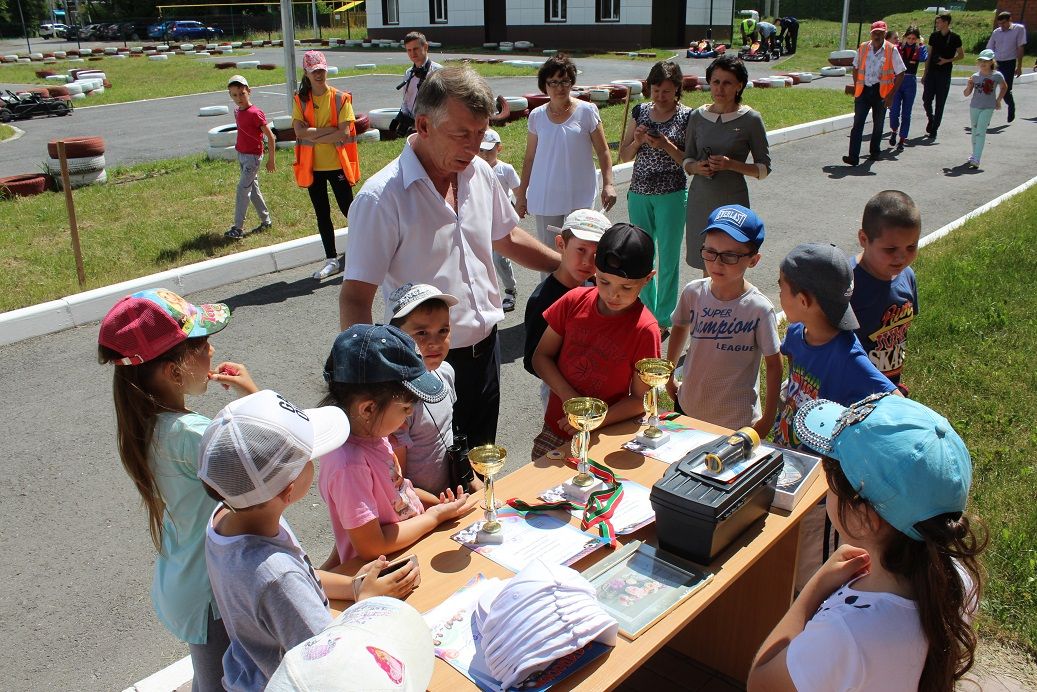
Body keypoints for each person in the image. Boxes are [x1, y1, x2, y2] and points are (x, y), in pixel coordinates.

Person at [339, 67, 560, 449]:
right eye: (461, 134)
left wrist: (563, 266)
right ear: (423, 125)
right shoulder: (382, 198)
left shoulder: (480, 175)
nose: (474, 147)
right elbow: (356, 296)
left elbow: (505, 236)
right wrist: (367, 386)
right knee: (432, 484)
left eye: (480, 133)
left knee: (478, 467)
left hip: (486, 354)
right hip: (423, 365)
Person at [748, 393, 985, 692]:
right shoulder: (956, 580)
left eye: (832, 475)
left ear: (865, 518)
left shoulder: (843, 635)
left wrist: (815, 587)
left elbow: (760, 682)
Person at [199, 389, 419, 691]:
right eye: (308, 457)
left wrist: (353, 587)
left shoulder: (229, 515)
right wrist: (365, 604)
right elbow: (327, 664)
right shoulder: (278, 577)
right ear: (288, 490)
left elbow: (300, 575)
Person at [97, 288, 259, 691]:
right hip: (213, 593)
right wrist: (254, 397)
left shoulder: (145, 425)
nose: (213, 347)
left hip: (184, 578)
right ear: (174, 370)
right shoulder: (193, 434)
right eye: (202, 343)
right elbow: (272, 465)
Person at [318, 324, 477, 564]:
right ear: (368, 408)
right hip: (388, 569)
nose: (411, 413)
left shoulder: (374, 434)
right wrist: (433, 518)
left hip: (409, 550)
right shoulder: (349, 465)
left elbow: (401, 492)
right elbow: (372, 546)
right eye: (405, 408)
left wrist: (442, 507)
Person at [531, 223, 661, 460]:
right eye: (604, 282)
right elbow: (541, 357)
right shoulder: (572, 301)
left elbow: (641, 399)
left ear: (648, 279)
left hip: (606, 435)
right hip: (557, 426)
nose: (614, 294)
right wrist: (568, 396)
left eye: (627, 287)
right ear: (594, 273)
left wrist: (596, 420)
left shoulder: (645, 329)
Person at [665, 205, 781, 438]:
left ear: (753, 260)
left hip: (735, 421)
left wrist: (768, 419)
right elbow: (680, 326)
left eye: (730, 256)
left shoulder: (759, 309)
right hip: (688, 407)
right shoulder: (693, 293)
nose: (717, 262)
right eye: (710, 252)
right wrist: (668, 376)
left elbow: (774, 365)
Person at [773, 243, 897, 449]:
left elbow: (896, 401)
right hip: (786, 443)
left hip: (818, 462)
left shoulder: (848, 356)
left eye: (781, 287)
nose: (779, 294)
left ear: (803, 301)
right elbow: (793, 366)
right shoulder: (796, 333)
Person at [515, 54, 618, 262]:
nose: (559, 87)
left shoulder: (587, 111)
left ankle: (581, 294)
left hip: (579, 195)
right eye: (553, 82)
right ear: (545, 85)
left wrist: (609, 184)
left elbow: (603, 151)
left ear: (572, 83)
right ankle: (552, 295)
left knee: (581, 254)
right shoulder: (536, 116)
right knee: (550, 257)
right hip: (546, 196)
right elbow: (530, 158)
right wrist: (521, 195)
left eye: (564, 81)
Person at [618, 60, 692, 331]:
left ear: (677, 90)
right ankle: (646, 312)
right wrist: (637, 140)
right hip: (639, 192)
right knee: (641, 255)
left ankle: (664, 317)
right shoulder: (641, 111)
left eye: (667, 91)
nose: (661, 96)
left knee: (669, 257)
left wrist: (665, 144)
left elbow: (689, 161)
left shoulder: (687, 116)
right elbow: (624, 156)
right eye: (656, 90)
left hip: (671, 194)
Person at [682, 55, 771, 275]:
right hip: (700, 198)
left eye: (727, 82)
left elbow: (764, 169)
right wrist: (696, 168)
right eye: (715, 82)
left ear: (739, 86)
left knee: (730, 262)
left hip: (732, 202)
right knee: (706, 260)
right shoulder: (697, 116)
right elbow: (687, 159)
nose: (720, 88)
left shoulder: (750, 119)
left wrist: (732, 165)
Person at [523, 208, 610, 409]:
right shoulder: (542, 300)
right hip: (560, 396)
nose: (588, 261)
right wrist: (568, 386)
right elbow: (532, 359)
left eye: (597, 254)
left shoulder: (601, 289)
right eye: (581, 250)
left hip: (601, 386)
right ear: (561, 244)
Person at [386, 283, 466, 496]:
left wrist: (472, 480)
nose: (435, 342)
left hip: (449, 494)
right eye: (421, 333)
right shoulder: (399, 401)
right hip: (420, 509)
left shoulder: (446, 372)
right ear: (396, 335)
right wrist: (439, 508)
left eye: (443, 330)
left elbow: (448, 434)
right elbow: (397, 479)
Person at [292, 50, 361, 281]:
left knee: (350, 211)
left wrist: (314, 134)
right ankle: (331, 259)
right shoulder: (300, 99)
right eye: (314, 72)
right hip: (313, 167)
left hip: (337, 165)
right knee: (322, 214)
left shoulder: (340, 98)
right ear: (307, 73)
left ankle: (365, 251)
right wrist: (328, 133)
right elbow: (299, 132)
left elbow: (343, 133)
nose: (319, 75)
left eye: (321, 70)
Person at [851, 190, 921, 394]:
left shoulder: (907, 276)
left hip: (890, 386)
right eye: (890, 249)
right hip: (854, 391)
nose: (902, 257)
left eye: (911, 246)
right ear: (864, 239)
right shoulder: (848, 284)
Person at [843, 21, 906, 166]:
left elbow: (901, 73)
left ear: (885, 33)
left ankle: (875, 152)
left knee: (878, 124)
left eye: (880, 33)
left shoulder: (891, 50)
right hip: (863, 90)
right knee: (857, 124)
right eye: (874, 32)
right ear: (871, 33)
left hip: (881, 92)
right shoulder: (864, 47)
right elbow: (856, 67)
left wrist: (890, 95)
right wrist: (856, 86)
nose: (877, 35)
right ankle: (853, 156)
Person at [224, 74, 274, 240]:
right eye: (234, 95)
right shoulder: (237, 112)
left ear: (249, 92)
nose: (239, 98)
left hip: (253, 158)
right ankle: (266, 221)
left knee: (242, 190)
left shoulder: (255, 113)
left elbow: (271, 137)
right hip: (242, 155)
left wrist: (271, 159)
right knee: (253, 190)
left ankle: (238, 228)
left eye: (242, 94)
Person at [478, 128, 521, 312]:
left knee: (499, 259)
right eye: (481, 150)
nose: (485, 154)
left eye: (490, 150)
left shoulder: (505, 170)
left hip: (501, 222)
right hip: (480, 221)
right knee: (481, 260)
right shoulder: (474, 170)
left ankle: (510, 290)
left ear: (499, 149)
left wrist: (519, 208)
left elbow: (519, 192)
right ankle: (486, 295)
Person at [921, 12, 964, 141]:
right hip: (932, 72)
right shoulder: (934, 36)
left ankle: (934, 129)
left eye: (939, 22)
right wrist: (925, 73)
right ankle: (931, 118)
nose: (937, 24)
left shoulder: (955, 37)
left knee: (940, 102)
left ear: (946, 22)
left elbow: (961, 55)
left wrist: (947, 60)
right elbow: (929, 55)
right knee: (926, 99)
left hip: (944, 74)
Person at [963, 49, 1008, 170]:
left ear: (991, 62)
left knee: (980, 131)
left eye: (986, 61)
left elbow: (1004, 87)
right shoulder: (975, 76)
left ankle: (977, 158)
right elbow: (966, 94)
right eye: (981, 61)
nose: (983, 63)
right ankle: (974, 154)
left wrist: (998, 100)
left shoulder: (996, 75)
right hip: (975, 106)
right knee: (974, 131)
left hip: (988, 107)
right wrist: (969, 85)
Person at [393, 31, 442, 137]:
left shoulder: (438, 72)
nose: (412, 53)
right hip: (412, 126)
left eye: (415, 49)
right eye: (409, 50)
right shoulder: (408, 73)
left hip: (433, 125)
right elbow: (406, 100)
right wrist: (402, 118)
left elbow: (443, 102)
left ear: (425, 47)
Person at [888, 27, 928, 150]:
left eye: (913, 39)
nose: (911, 41)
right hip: (897, 80)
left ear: (917, 39)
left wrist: (921, 45)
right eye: (909, 38)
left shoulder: (919, 49)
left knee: (906, 112)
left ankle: (902, 139)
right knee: (894, 111)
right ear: (905, 37)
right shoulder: (898, 47)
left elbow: (924, 58)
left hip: (910, 82)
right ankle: (894, 130)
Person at [986, 11, 1026, 124]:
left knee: (1006, 90)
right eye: (999, 24)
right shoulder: (996, 32)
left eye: (1004, 23)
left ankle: (1011, 106)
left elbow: (1020, 47)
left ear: (1010, 20)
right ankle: (986, 117)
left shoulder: (1019, 29)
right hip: (997, 62)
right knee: (989, 89)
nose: (1002, 26)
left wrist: (1019, 66)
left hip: (1009, 62)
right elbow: (989, 48)